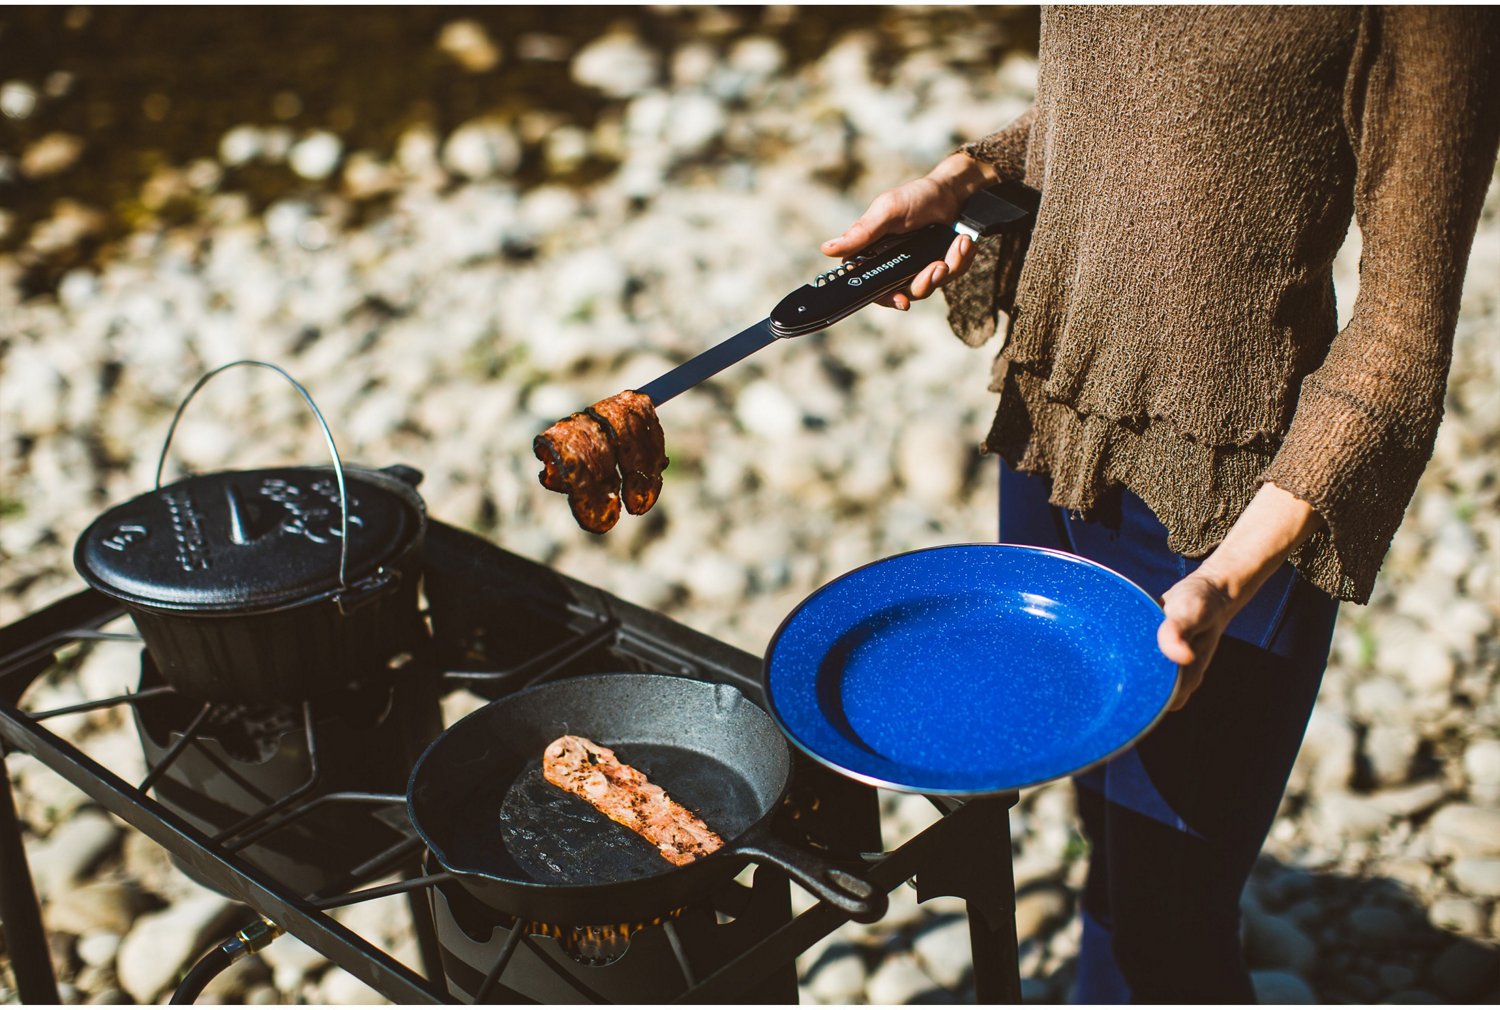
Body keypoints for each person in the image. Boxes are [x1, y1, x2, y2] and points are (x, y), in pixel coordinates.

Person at [823, 7, 1500, 1003]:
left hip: (1228, 518)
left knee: (1167, 932)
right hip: (1054, 434)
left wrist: (1230, 577)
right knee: (1109, 834)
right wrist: (970, 175)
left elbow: (1401, 338)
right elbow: (1125, 105)